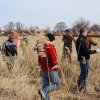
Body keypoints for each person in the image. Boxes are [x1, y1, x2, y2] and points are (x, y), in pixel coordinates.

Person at [34, 33, 60, 100]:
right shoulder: (50, 47)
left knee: (45, 86)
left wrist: (40, 65)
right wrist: (56, 68)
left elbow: (39, 58)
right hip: (51, 70)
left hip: (43, 70)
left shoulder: (42, 47)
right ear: (51, 40)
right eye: (54, 40)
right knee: (57, 84)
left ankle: (44, 93)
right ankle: (43, 91)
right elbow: (54, 58)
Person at [75, 28, 100, 93]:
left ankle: (81, 88)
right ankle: (82, 89)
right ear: (83, 32)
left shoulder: (79, 39)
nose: (87, 34)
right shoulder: (82, 40)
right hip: (84, 59)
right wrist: (96, 51)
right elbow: (86, 51)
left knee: (83, 74)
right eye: (86, 32)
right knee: (84, 74)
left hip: (82, 58)